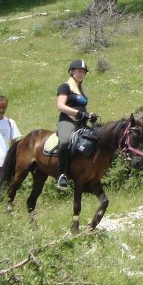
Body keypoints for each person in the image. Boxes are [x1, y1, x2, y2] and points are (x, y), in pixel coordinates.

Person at [55, 59, 92, 191]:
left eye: (83, 72)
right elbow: (60, 106)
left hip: (81, 124)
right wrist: (78, 113)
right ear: (72, 72)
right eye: (79, 71)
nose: (81, 74)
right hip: (67, 122)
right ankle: (62, 175)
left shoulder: (82, 90)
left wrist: (89, 115)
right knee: (65, 141)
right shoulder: (65, 87)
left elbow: (83, 109)